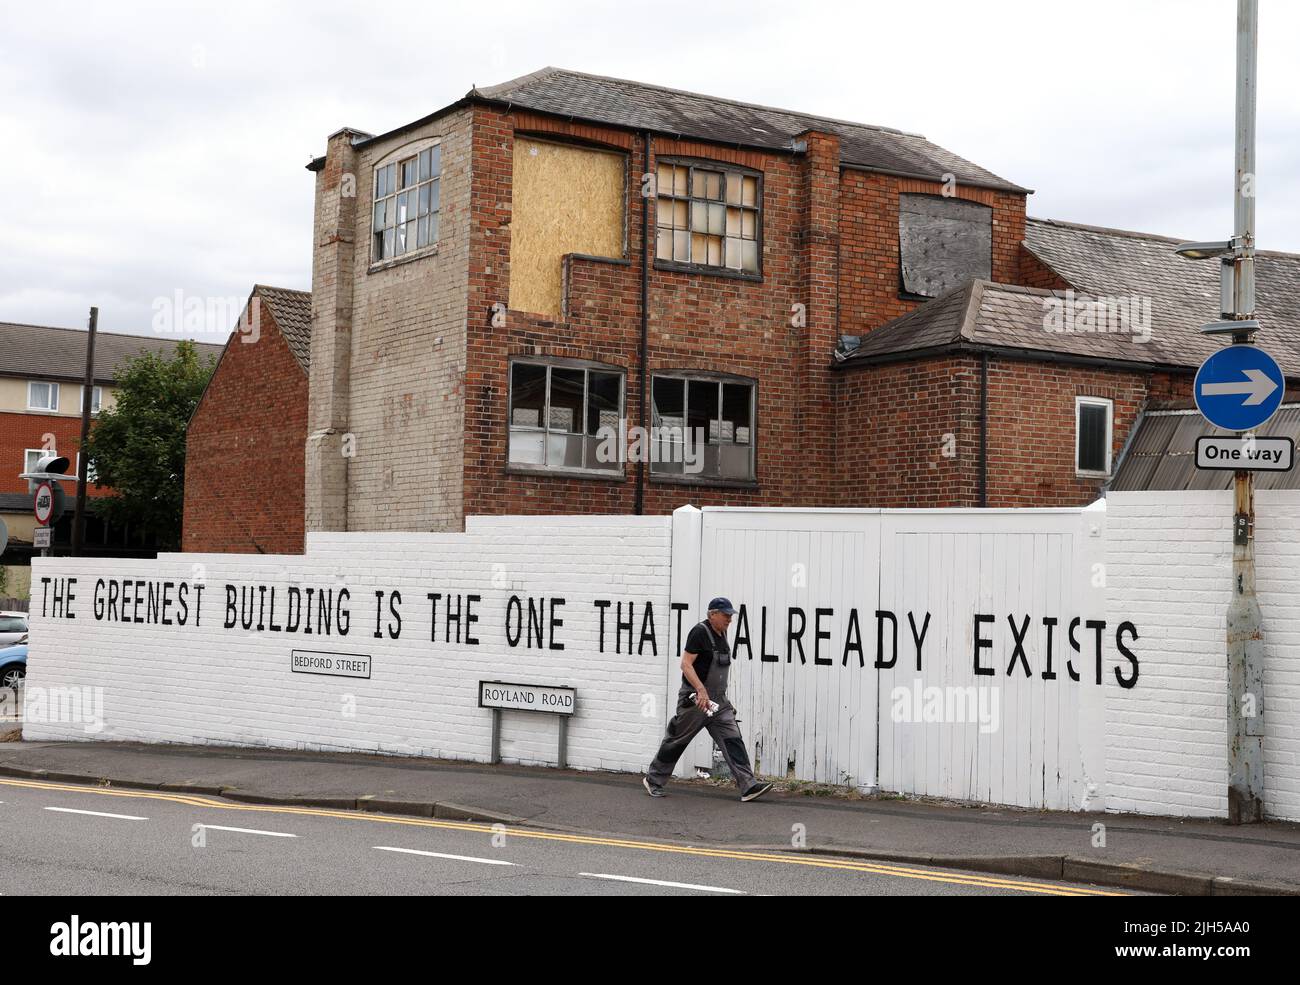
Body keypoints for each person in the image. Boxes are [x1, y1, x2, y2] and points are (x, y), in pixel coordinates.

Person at [643, 597, 773, 802]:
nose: (729, 619)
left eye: (730, 615)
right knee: (677, 741)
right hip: (696, 700)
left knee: (733, 739)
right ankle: (654, 780)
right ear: (712, 614)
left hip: (718, 702)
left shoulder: (723, 633)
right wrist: (701, 690)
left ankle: (748, 786)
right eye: (725, 615)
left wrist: (721, 697)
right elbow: (686, 664)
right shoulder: (699, 633)